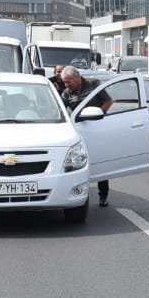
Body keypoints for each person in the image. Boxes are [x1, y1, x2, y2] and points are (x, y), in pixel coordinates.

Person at [59, 65, 113, 205]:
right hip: (79, 131)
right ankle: (78, 195)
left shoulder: (93, 84)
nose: (66, 85)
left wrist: (99, 114)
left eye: (68, 81)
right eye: (64, 82)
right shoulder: (66, 93)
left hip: (97, 128)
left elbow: (108, 101)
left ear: (77, 78)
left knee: (100, 161)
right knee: (78, 164)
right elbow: (61, 111)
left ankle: (103, 195)